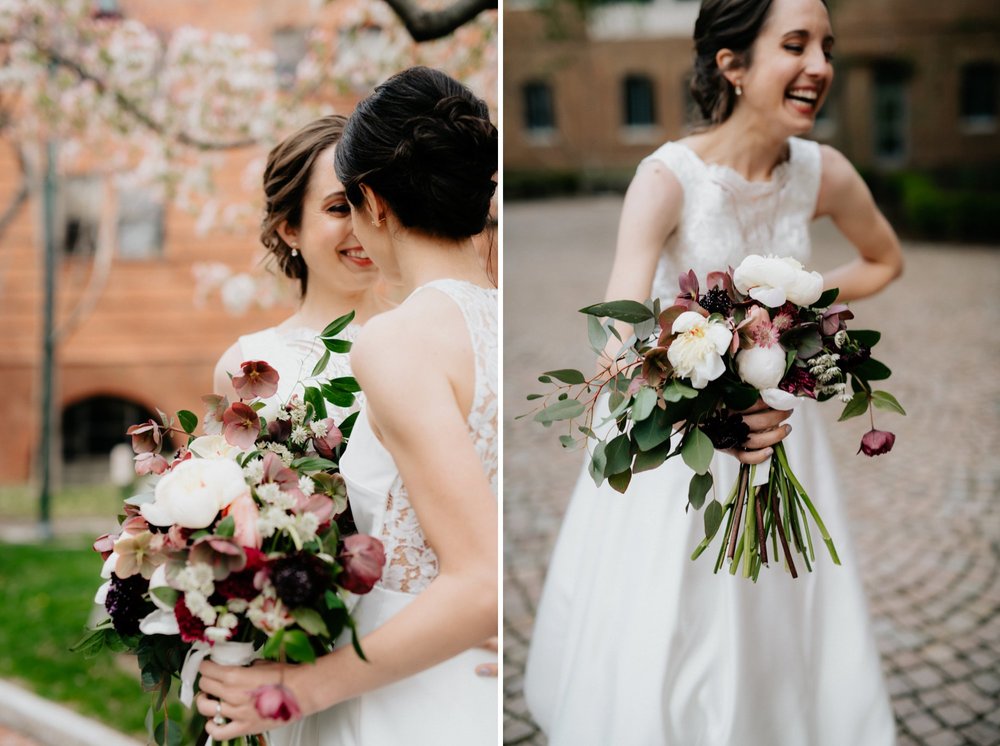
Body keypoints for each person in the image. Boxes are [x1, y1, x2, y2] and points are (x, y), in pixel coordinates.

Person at [524, 0, 903, 743]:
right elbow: (618, 339)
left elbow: (885, 260)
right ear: (731, 64)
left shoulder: (823, 173)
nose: (821, 66)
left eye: (826, 45)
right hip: (683, 449)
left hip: (784, 436)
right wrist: (707, 410)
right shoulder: (668, 179)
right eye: (795, 45)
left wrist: (798, 304)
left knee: (780, 606)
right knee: (676, 619)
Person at [197, 67, 499, 745]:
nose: (358, 227)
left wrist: (486, 611)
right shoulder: (252, 368)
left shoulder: (419, 336)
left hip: (408, 661)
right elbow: (237, 536)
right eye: (336, 209)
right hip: (327, 646)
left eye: (356, 203)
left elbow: (471, 555)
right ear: (290, 229)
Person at [213, 116, 397, 416]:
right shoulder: (244, 367)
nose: (365, 226)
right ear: (290, 229)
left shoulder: (431, 330)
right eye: (339, 208)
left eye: (373, 205)